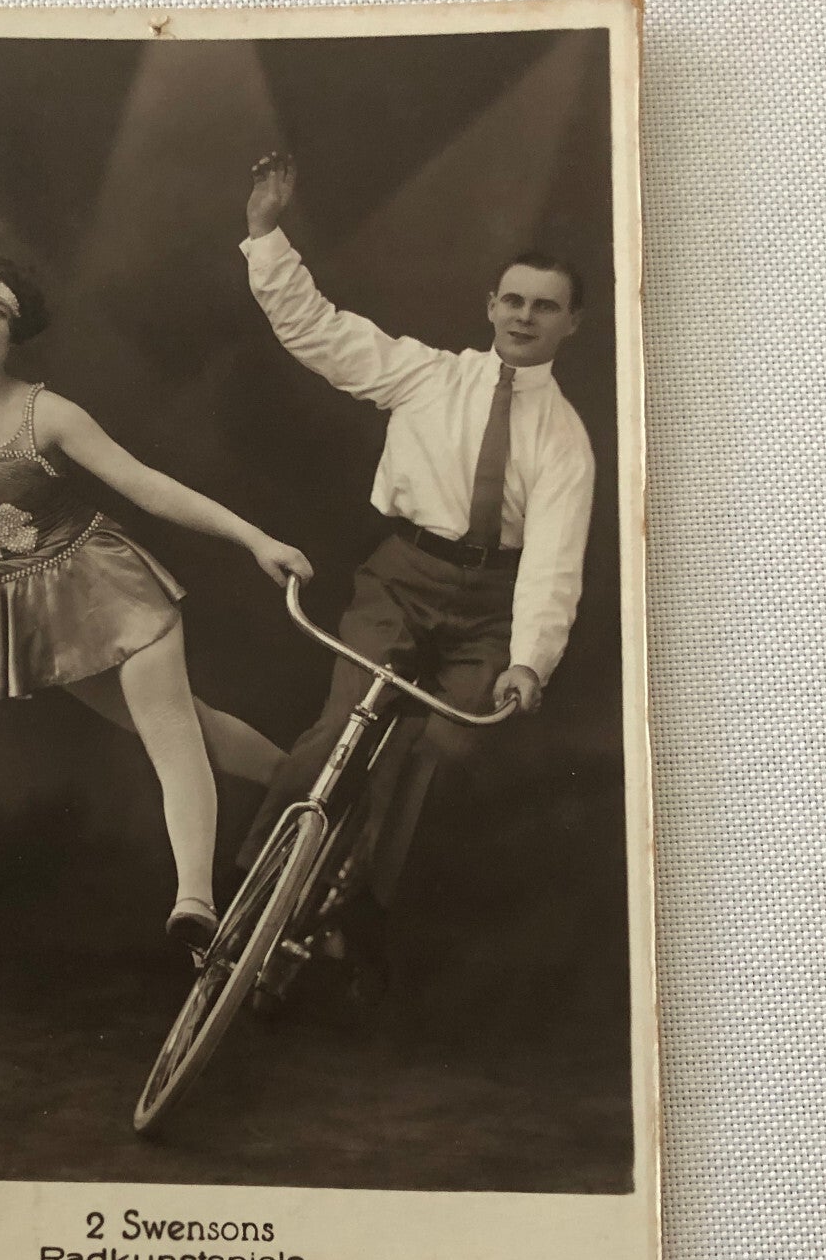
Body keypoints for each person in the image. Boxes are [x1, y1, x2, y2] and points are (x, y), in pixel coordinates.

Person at [0, 149, 313, 951]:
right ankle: (311, 791)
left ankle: (196, 904)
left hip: (106, 584)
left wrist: (256, 539)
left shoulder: (52, 414)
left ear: (15, 329)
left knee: (170, 730)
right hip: (16, 612)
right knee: (193, 728)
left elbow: (148, 486)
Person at [237, 152, 595, 962]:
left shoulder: (566, 440)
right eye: (513, 300)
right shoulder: (428, 376)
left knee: (439, 747)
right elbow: (320, 332)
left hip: (491, 612)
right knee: (339, 729)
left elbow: (553, 560)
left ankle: (353, 905)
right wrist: (266, 235)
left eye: (546, 307)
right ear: (490, 305)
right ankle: (252, 898)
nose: (524, 317)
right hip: (401, 580)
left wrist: (530, 660)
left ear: (572, 324)